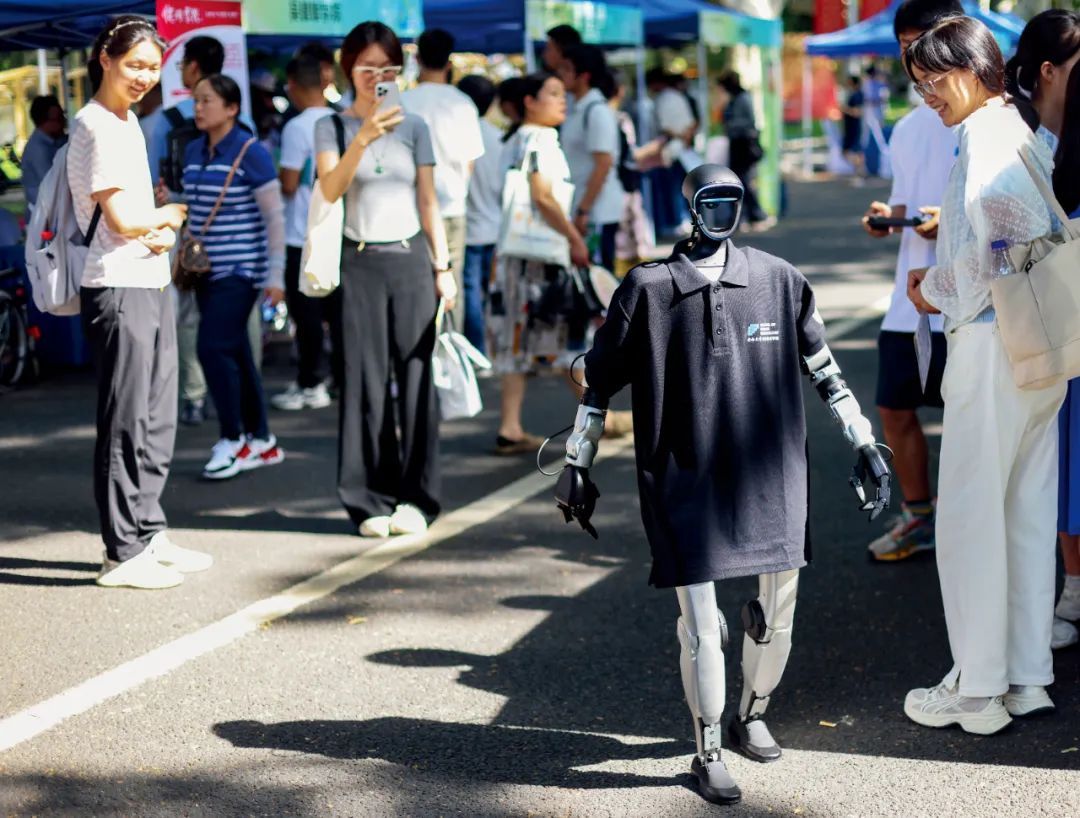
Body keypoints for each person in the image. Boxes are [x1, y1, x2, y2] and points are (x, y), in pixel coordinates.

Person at [551, 164, 891, 805]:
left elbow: (824, 368)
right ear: (689, 206)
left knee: (778, 615)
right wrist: (578, 460)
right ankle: (706, 749)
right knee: (703, 627)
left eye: (733, 199)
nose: (723, 211)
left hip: (773, 473)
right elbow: (598, 383)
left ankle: (751, 713)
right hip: (685, 474)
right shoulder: (649, 288)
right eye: (711, 199)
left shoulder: (777, 279)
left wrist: (864, 440)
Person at [903, 15, 1063, 734]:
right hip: (1038, 342)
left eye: (934, 81)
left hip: (993, 345)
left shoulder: (985, 134)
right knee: (1024, 512)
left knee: (971, 516)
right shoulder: (1019, 126)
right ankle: (1024, 677)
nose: (929, 96)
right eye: (920, 85)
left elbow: (1010, 240)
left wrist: (935, 288)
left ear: (970, 69)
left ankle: (976, 691)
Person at [71, 16, 211, 589]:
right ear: (105, 59)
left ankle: (148, 531)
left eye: (153, 68)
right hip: (117, 282)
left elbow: (129, 216)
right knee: (126, 419)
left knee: (157, 414)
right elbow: (123, 218)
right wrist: (167, 216)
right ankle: (122, 551)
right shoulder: (95, 124)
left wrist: (151, 227)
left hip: (147, 278)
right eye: (134, 65)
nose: (144, 77)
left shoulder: (127, 121)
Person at [314, 21, 454, 538]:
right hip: (358, 262)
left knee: (416, 381)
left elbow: (428, 201)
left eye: (388, 69)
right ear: (348, 69)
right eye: (367, 68)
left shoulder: (415, 126)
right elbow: (330, 189)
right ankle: (367, 499)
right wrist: (364, 136)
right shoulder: (330, 126)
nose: (377, 78)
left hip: (411, 258)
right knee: (362, 382)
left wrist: (443, 267)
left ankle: (418, 499)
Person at [860, 0, 962, 563]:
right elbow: (904, 201)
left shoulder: (993, 118)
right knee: (894, 411)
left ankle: (970, 525)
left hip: (971, 302)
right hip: (910, 301)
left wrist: (952, 219)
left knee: (968, 422)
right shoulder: (907, 127)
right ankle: (919, 517)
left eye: (923, 42)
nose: (915, 57)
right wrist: (888, 216)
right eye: (905, 47)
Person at [1006, 8, 1080, 650]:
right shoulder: (1023, 140)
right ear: (1050, 71)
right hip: (1060, 335)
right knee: (1062, 461)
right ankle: (1072, 585)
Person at [183, 74, 286, 480]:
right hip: (204, 270)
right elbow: (199, 204)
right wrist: (171, 200)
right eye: (196, 100)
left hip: (242, 270)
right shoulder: (193, 149)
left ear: (231, 108)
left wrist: (276, 274)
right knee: (237, 351)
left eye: (206, 101)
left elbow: (274, 217)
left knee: (211, 348)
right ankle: (261, 439)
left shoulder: (250, 152)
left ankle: (233, 439)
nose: (198, 108)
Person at [488, 72, 591, 455]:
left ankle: (510, 426)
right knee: (566, 336)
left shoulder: (513, 138)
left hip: (514, 255)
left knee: (517, 341)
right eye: (553, 93)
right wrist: (574, 237)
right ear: (530, 101)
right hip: (541, 259)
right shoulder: (542, 139)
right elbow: (543, 196)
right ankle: (595, 415)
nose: (562, 100)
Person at [150, 34, 224, 427]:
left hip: (185, 230)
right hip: (229, 231)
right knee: (227, 309)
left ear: (193, 68)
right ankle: (226, 390)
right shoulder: (238, 118)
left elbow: (154, 182)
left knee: (188, 314)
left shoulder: (166, 120)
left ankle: (195, 394)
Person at [270, 54, 341, 412]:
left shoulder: (297, 127)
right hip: (337, 230)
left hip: (302, 232)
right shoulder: (342, 120)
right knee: (338, 314)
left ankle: (311, 382)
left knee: (308, 314)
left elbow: (289, 182)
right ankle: (341, 379)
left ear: (294, 85)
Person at [402, 29, 484, 330]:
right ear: (449, 62)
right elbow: (470, 162)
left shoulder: (403, 102)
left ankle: (420, 352)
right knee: (451, 289)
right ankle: (450, 349)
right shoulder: (463, 104)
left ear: (417, 58)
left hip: (409, 209)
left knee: (415, 288)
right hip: (451, 207)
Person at [558, 44, 626, 273]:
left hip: (597, 211)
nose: (561, 75)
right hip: (583, 207)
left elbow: (603, 164)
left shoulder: (596, 111)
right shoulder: (576, 108)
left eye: (567, 69)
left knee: (599, 278)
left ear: (584, 76)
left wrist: (583, 211)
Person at [457, 73, 502, 352]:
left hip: (469, 229)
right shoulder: (499, 137)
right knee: (490, 292)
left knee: (471, 293)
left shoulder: (458, 135)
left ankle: (478, 350)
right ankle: (494, 349)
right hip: (496, 228)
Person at [718, 71, 772, 231]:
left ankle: (755, 214)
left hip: (743, 146)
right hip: (738, 145)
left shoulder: (741, 99)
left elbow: (747, 122)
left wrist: (730, 124)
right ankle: (746, 216)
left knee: (744, 182)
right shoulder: (736, 99)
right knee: (740, 181)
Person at [648, 68, 696, 237]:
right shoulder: (679, 97)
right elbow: (692, 123)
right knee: (683, 189)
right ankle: (684, 220)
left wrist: (679, 137)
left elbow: (665, 128)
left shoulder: (660, 100)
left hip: (670, 151)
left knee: (672, 190)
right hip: (683, 150)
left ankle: (676, 221)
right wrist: (686, 139)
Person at [21, 95, 66, 214]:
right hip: (43, 214)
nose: (63, 122)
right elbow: (54, 184)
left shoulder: (58, 140)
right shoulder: (38, 149)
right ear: (43, 121)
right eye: (58, 118)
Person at [840, 75, 865, 179]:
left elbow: (857, 112)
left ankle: (859, 171)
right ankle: (859, 171)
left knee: (852, 151)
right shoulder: (854, 94)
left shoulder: (857, 95)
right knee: (853, 151)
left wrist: (844, 109)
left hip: (853, 127)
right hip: (851, 126)